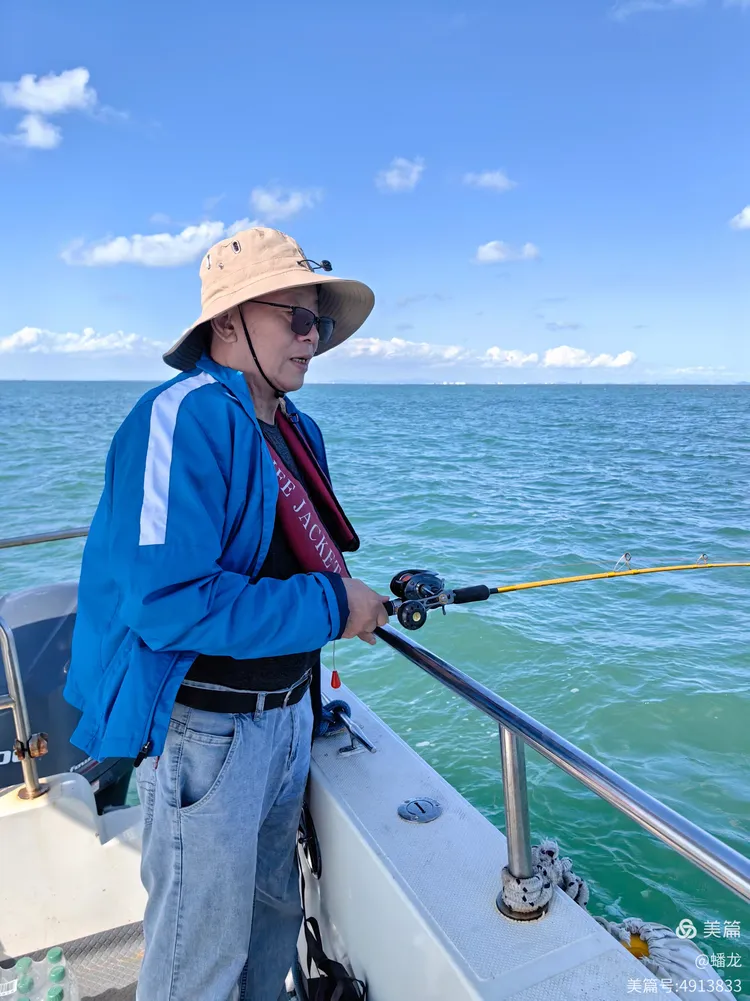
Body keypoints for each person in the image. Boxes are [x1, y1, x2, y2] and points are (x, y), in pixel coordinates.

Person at [63, 226, 390, 1001]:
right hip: (207, 734)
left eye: (322, 324)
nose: (314, 341)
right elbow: (168, 603)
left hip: (286, 722)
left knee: (272, 932)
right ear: (228, 321)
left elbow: (292, 564)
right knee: (196, 962)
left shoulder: (298, 430)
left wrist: (343, 600)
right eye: (299, 318)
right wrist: (333, 603)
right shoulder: (179, 416)